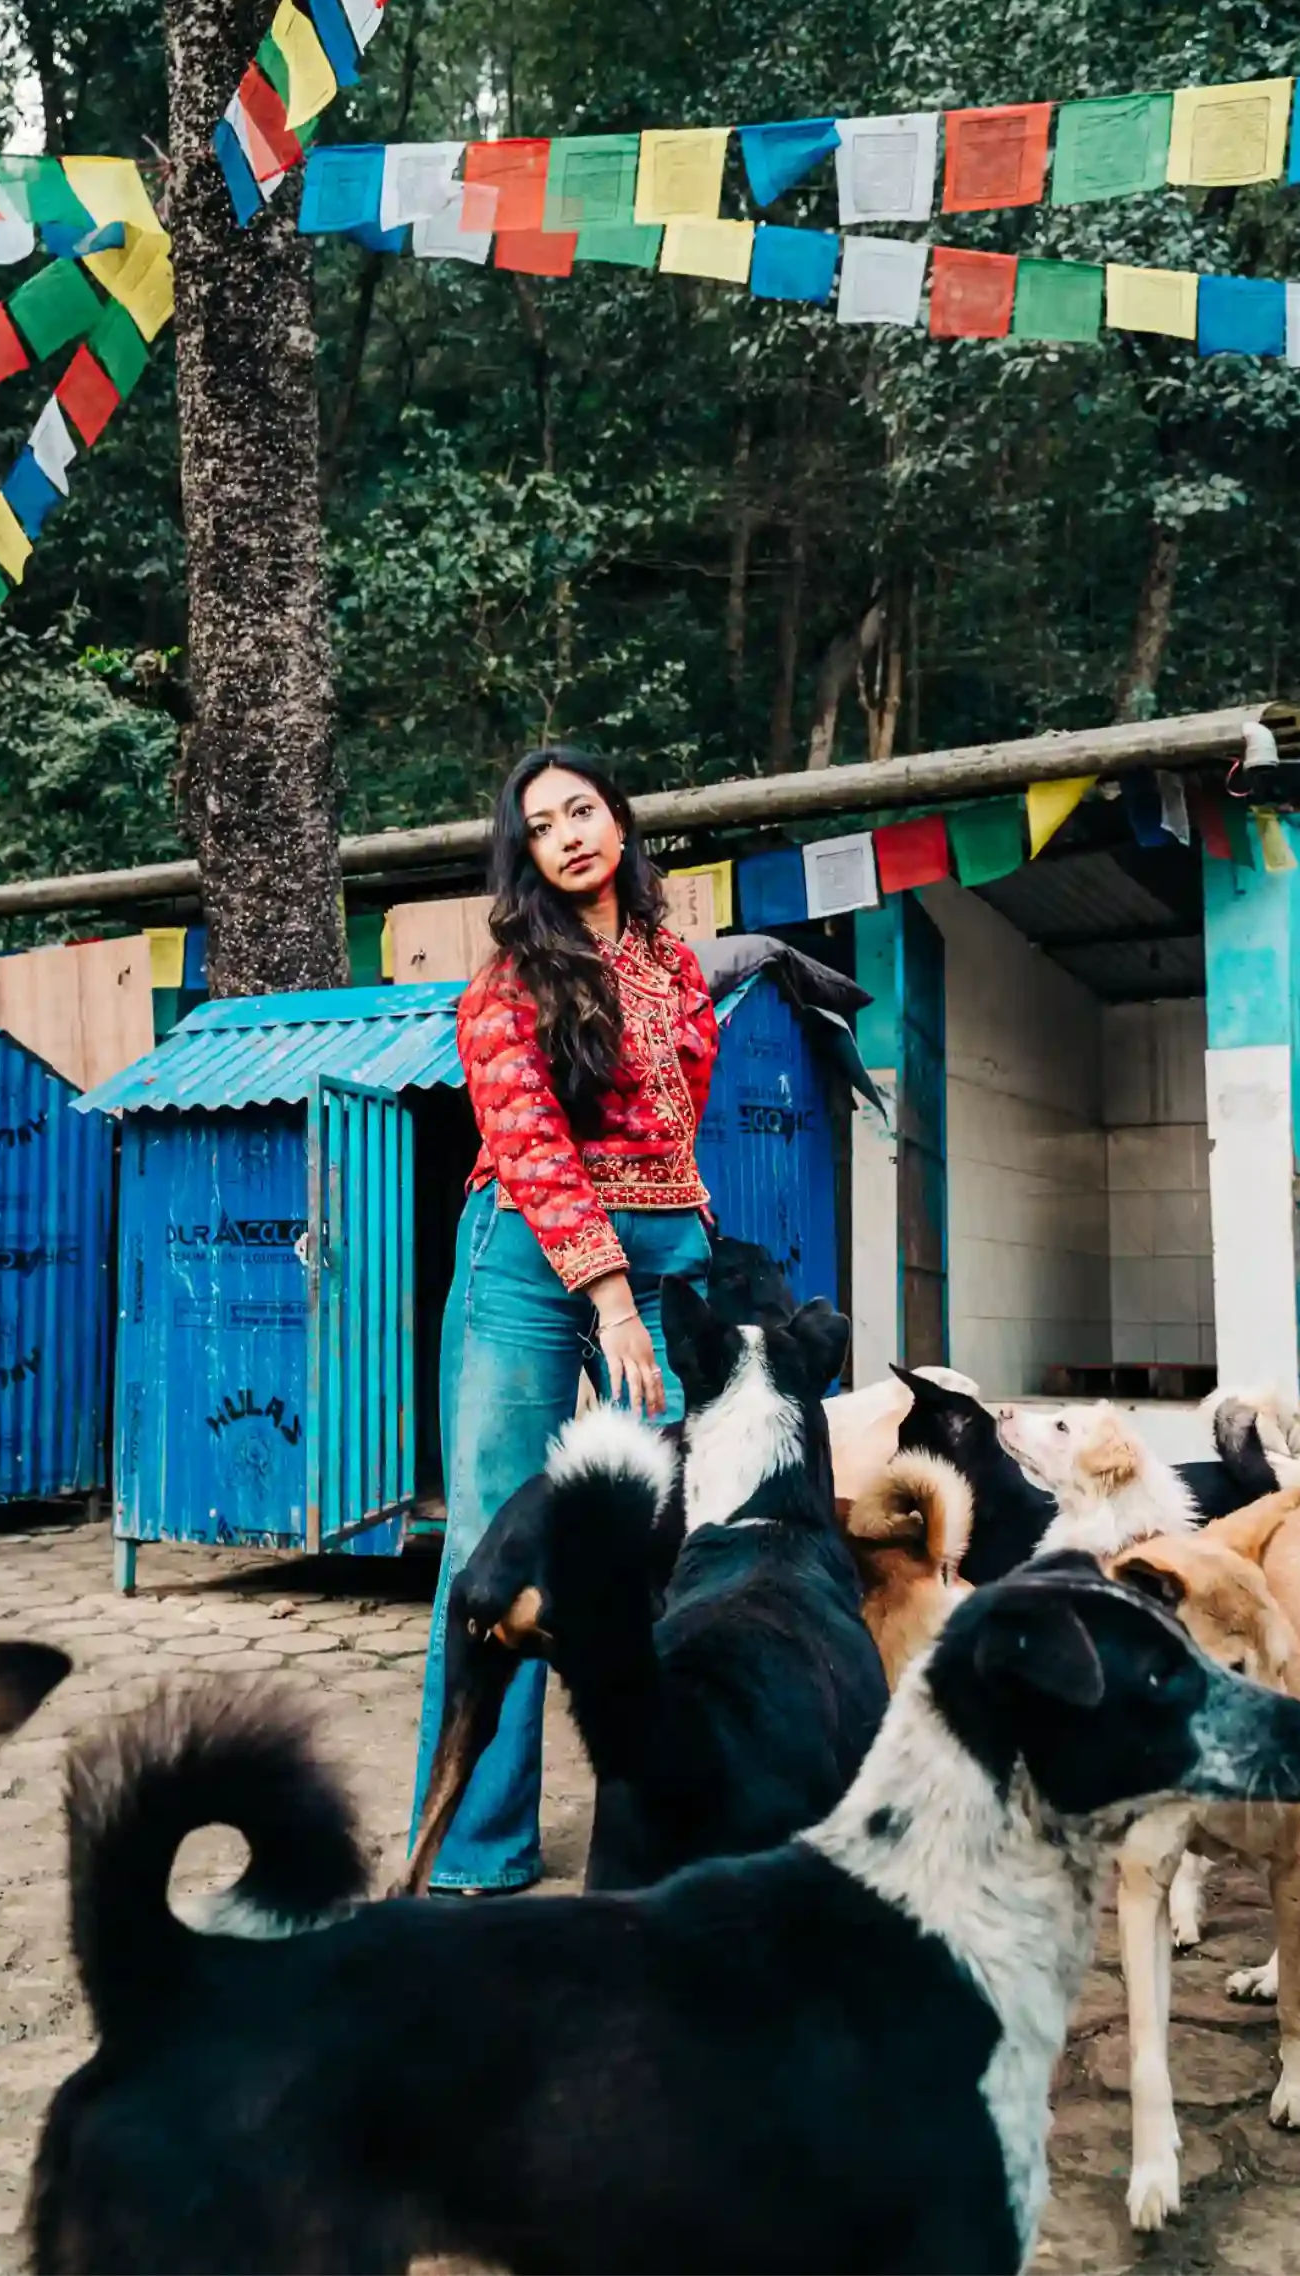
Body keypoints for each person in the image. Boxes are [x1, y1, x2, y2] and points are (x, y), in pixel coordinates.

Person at [408, 746, 720, 1892]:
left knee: (687, 1527)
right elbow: (533, 1145)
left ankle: (671, 1819)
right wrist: (609, 1293)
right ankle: (479, 1846)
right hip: (528, 1252)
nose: (570, 833)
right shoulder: (502, 986)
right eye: (543, 825)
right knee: (494, 1540)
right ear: (526, 855)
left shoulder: (679, 970)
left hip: (668, 1239)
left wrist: (681, 1243)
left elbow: (677, 1121)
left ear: (621, 822)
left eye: (583, 809)